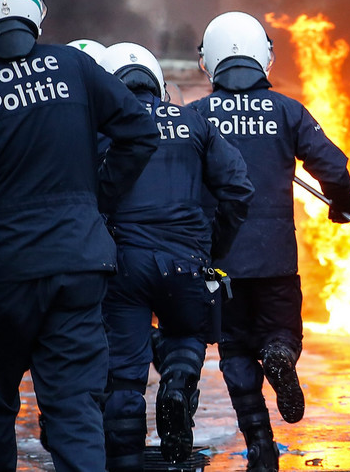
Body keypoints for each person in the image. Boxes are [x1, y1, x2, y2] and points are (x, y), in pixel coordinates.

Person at [0, 0, 160, 471]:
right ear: (34, 7)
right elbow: (141, 132)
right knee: (76, 410)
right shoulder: (74, 68)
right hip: (77, 266)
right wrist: (96, 197)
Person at [189, 11, 350, 471]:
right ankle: (280, 353)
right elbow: (336, 169)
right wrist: (342, 206)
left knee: (235, 349)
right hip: (278, 258)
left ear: (210, 61)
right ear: (264, 57)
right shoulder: (287, 111)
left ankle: (261, 446)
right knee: (281, 333)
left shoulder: (197, 117)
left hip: (220, 263)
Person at [97, 42, 254, 470]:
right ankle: (178, 384)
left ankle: (126, 461)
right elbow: (239, 189)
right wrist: (212, 247)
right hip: (187, 262)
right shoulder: (194, 121)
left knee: (124, 377)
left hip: (124, 266)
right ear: (158, 83)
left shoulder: (104, 129)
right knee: (187, 335)